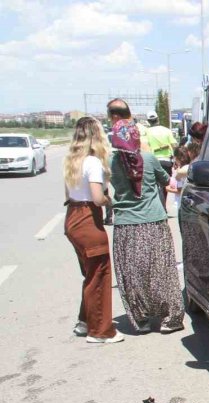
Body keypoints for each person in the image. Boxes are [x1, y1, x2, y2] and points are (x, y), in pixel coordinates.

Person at [106, 99, 185, 334]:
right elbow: (168, 182)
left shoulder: (111, 162)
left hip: (126, 225)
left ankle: (141, 319)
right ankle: (170, 318)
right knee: (162, 270)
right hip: (154, 222)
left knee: (133, 274)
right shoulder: (149, 159)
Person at [62, 117, 124, 344]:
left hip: (73, 217)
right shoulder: (93, 163)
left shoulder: (71, 161)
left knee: (90, 274)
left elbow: (68, 195)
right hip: (89, 219)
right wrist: (109, 201)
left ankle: (85, 321)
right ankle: (100, 331)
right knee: (99, 275)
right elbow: (97, 198)